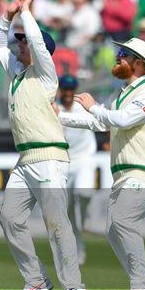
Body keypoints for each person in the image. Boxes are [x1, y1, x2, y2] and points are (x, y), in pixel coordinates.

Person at [54, 37, 145, 290]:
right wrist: (59, 116)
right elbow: (98, 122)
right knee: (112, 228)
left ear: (138, 63)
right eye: (119, 52)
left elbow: (123, 119)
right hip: (126, 173)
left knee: (122, 220)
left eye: (124, 54)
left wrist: (94, 106)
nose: (117, 57)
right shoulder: (120, 93)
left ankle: (140, 286)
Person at [0, 0, 88, 290]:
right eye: (18, 41)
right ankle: (35, 280)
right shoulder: (18, 75)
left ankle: (75, 289)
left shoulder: (46, 76)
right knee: (9, 217)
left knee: (57, 222)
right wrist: (7, 15)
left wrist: (26, 12)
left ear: (38, 49)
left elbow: (34, 38)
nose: (18, 44)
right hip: (25, 159)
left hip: (49, 156)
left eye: (23, 42)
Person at [56, 75, 97, 266]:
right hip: (65, 164)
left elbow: (102, 120)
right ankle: (79, 250)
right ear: (60, 90)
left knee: (84, 192)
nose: (68, 94)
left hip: (85, 159)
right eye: (65, 90)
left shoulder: (83, 107)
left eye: (71, 90)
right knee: (70, 215)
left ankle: (87, 215)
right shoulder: (55, 107)